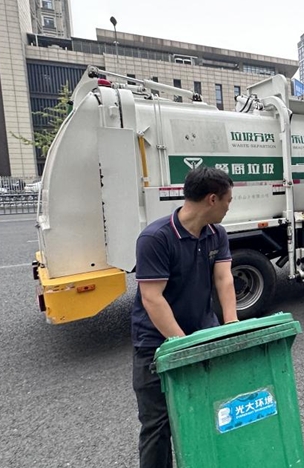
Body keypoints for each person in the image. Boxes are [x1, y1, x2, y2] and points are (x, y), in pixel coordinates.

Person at [131, 167, 238, 468]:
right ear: (212, 199)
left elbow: (224, 280)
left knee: (212, 410)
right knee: (158, 425)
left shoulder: (216, 234)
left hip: (204, 334)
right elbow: (152, 297)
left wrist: (230, 326)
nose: (230, 206)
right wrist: (182, 344)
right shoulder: (155, 238)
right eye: (228, 200)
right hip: (156, 344)